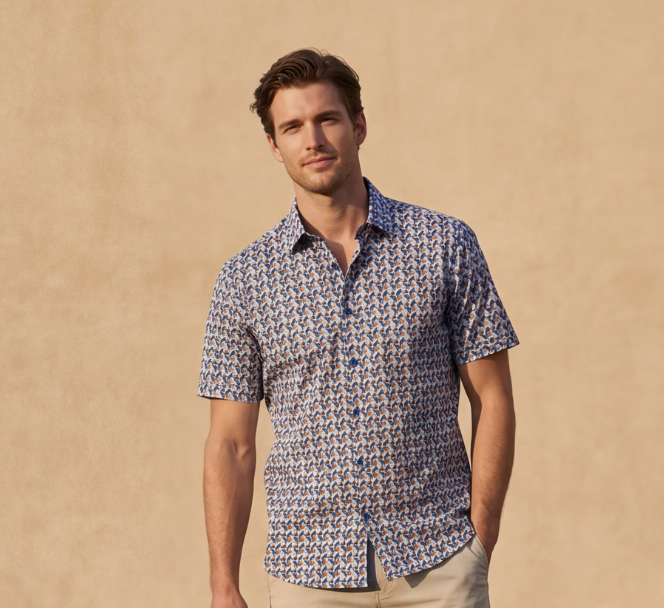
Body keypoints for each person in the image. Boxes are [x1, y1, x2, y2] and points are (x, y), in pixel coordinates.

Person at [199, 48, 518, 608]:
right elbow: (231, 443)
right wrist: (224, 582)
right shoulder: (244, 281)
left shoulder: (444, 245)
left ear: (359, 126)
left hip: (437, 559)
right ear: (274, 147)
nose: (313, 140)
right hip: (308, 573)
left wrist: (479, 541)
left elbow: (492, 398)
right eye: (292, 127)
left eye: (327, 119)